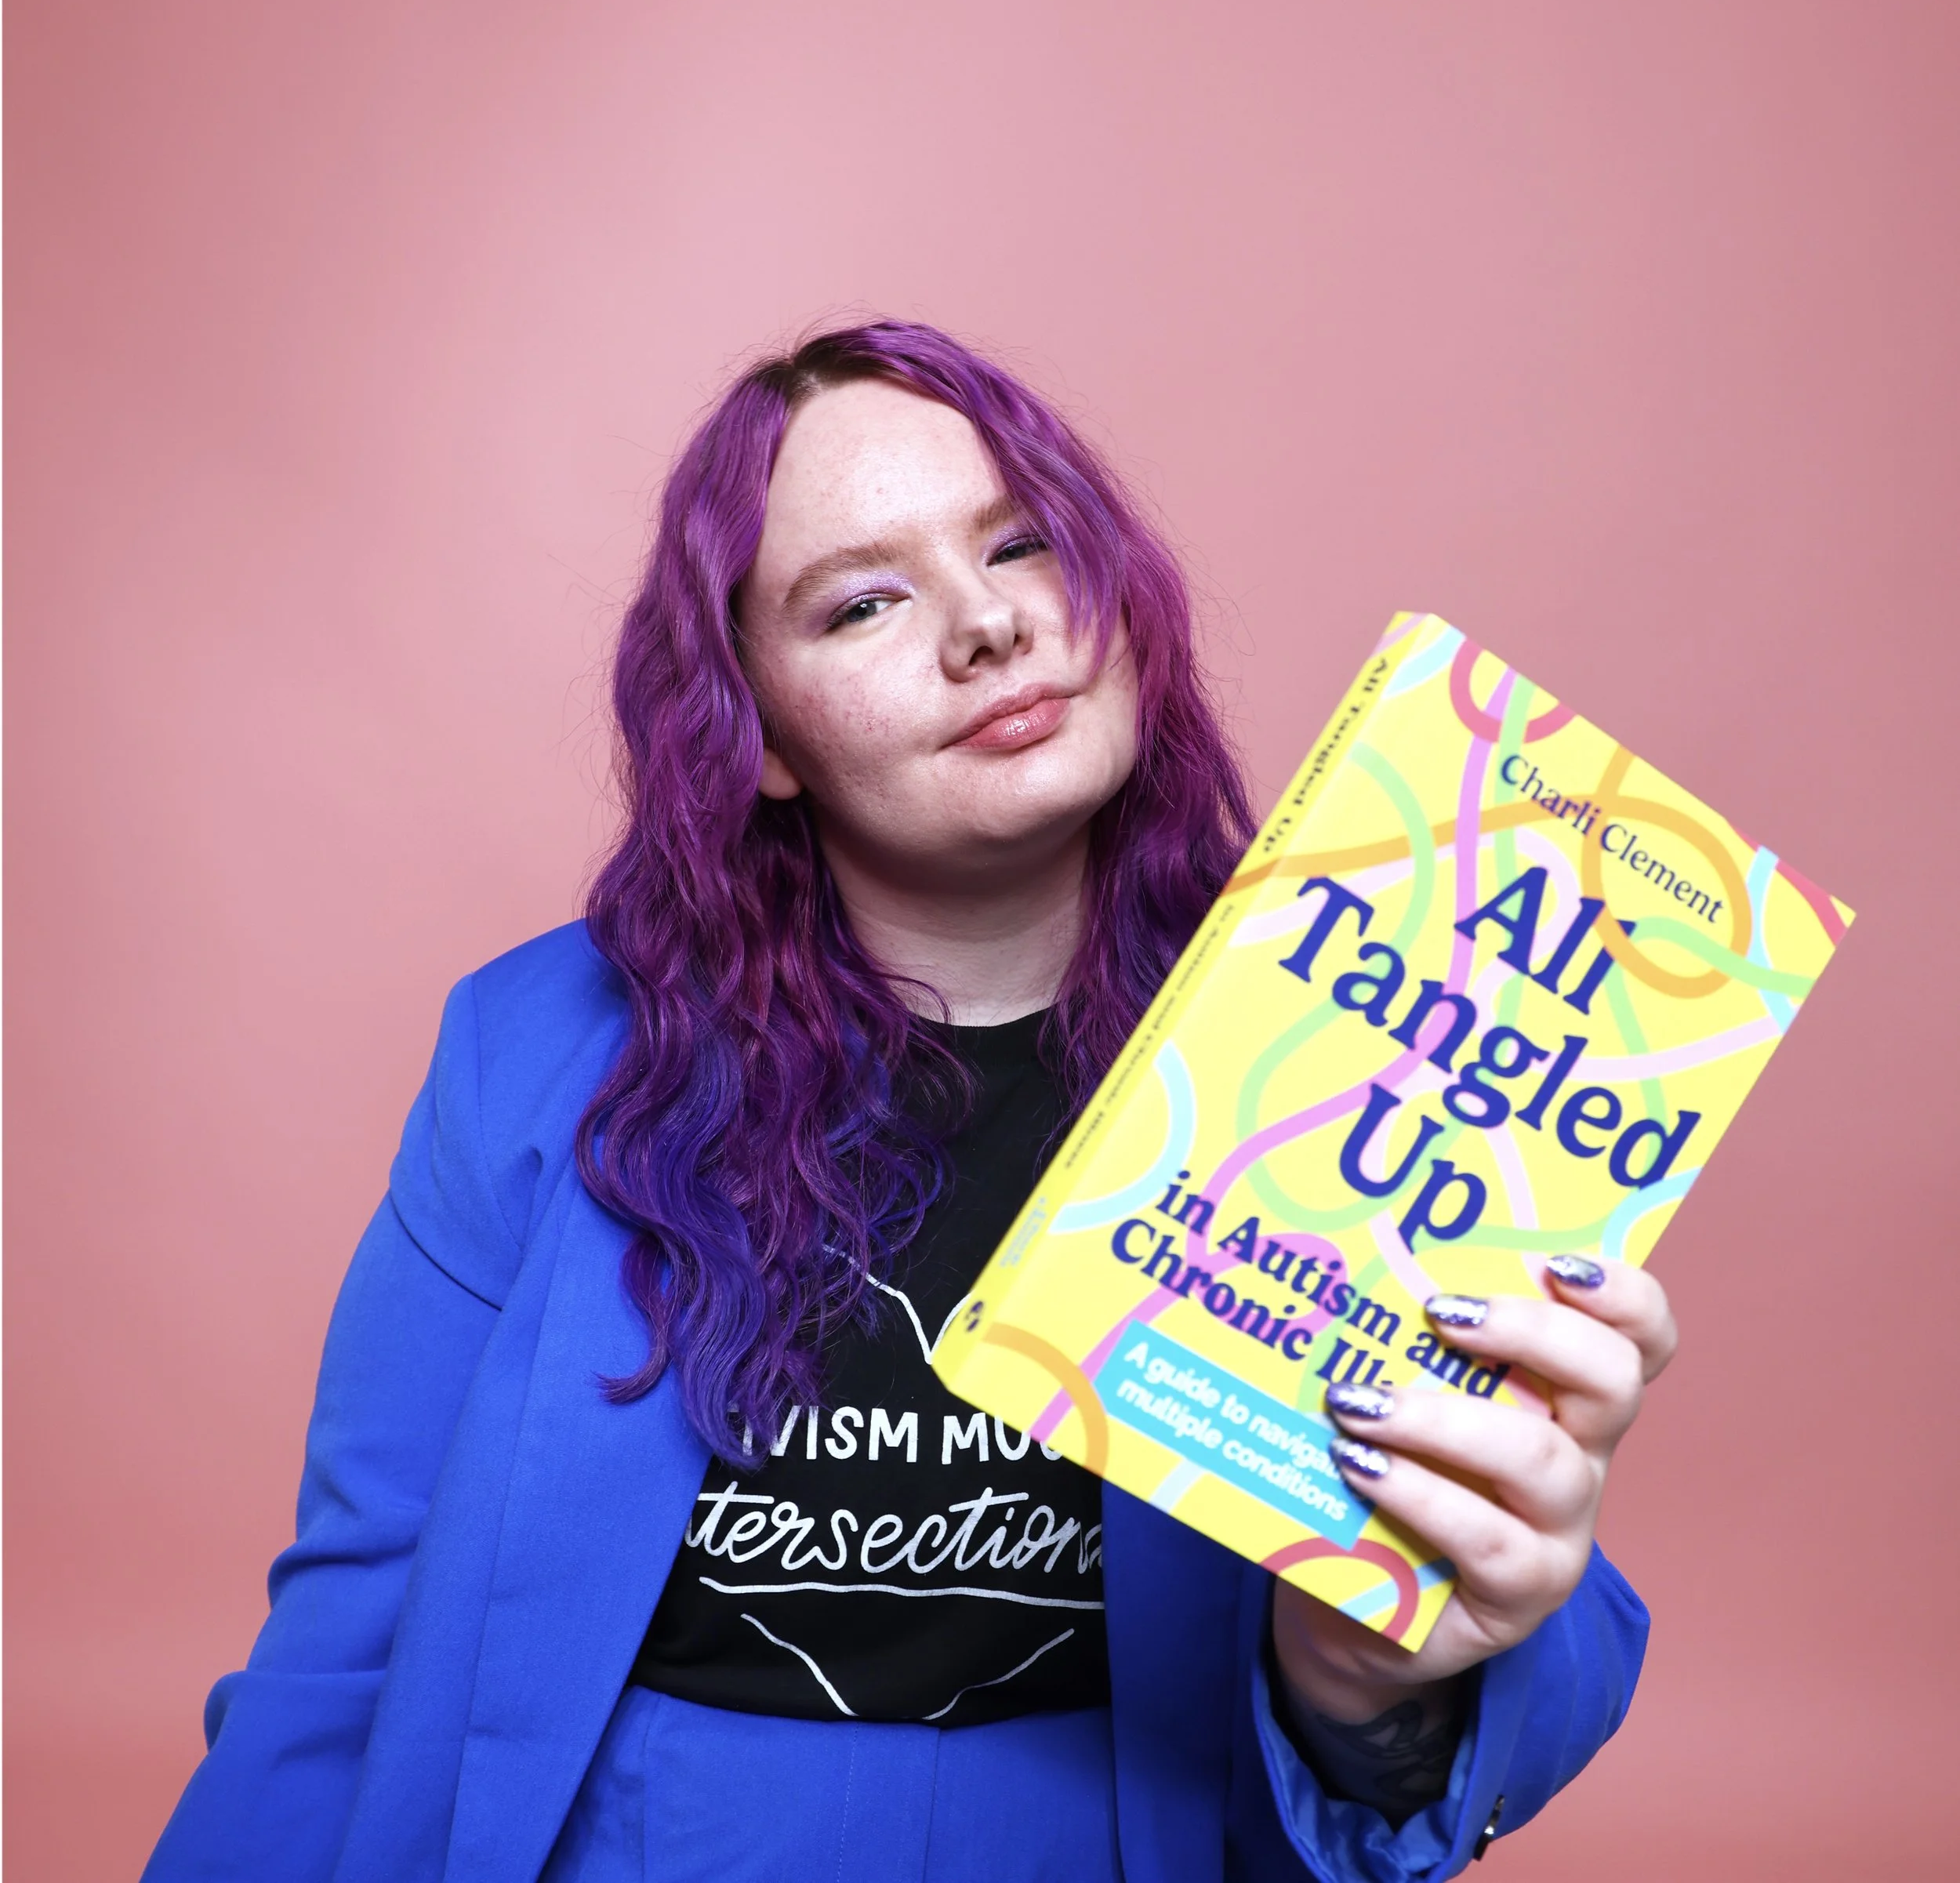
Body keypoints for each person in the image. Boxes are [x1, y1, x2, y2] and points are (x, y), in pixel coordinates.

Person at [144, 321, 1671, 1883]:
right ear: (761, 734)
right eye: (861, 600)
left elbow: (1441, 1722)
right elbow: (353, 1628)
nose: (988, 623)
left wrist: (1376, 1676)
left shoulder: (1360, 1030)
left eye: (1023, 543)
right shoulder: (530, 1047)